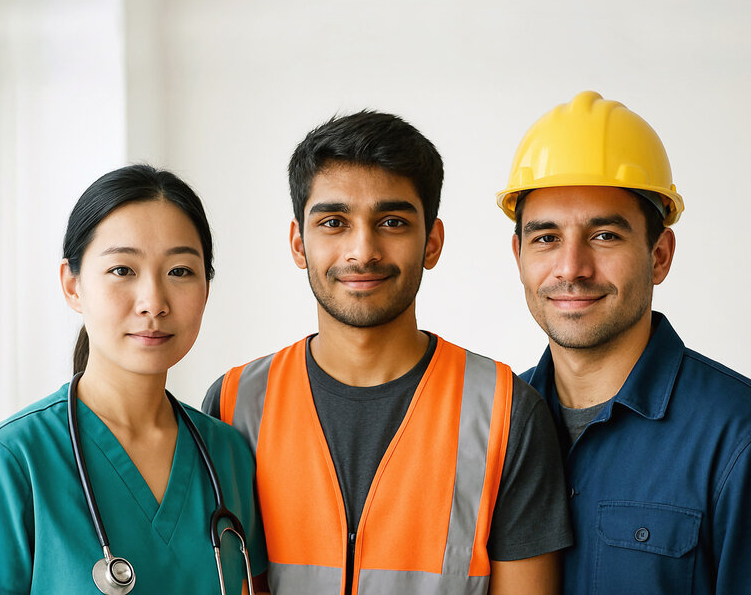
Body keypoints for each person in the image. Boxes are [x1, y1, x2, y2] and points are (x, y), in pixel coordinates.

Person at [203, 111, 572, 595]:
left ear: (432, 243)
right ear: (299, 243)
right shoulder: (234, 404)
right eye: (334, 222)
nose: (363, 250)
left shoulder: (507, 411)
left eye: (392, 222)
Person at [497, 91, 751, 594]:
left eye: (605, 235)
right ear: (518, 255)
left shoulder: (745, 438)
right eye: (546, 237)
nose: (571, 268)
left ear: (660, 254)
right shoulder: (493, 423)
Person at [0, 165, 267, 594]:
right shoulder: (10, 463)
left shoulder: (228, 456)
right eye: (122, 270)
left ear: (206, 287)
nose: (153, 302)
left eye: (180, 271)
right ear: (73, 286)